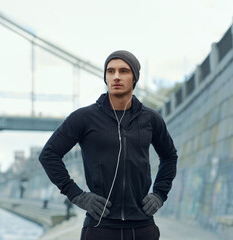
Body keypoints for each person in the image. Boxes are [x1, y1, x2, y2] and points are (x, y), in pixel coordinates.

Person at [39, 50, 178, 240]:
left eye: (124, 71)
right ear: (105, 77)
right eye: (110, 71)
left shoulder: (151, 119)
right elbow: (49, 154)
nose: (116, 77)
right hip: (99, 226)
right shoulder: (84, 118)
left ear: (135, 77)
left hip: (142, 226)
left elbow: (169, 156)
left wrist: (160, 194)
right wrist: (77, 195)